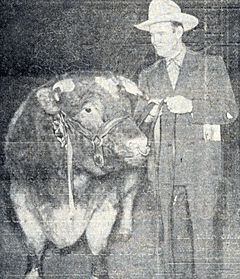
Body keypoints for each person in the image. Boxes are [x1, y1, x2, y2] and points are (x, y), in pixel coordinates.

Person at [134, 0, 239, 278]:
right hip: (163, 171)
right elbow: (139, 126)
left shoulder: (209, 66)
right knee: (168, 241)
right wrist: (148, 113)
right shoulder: (147, 76)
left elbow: (230, 111)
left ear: (178, 32)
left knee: (204, 240)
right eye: (152, 35)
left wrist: (192, 105)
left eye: (161, 34)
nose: (155, 41)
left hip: (202, 170)